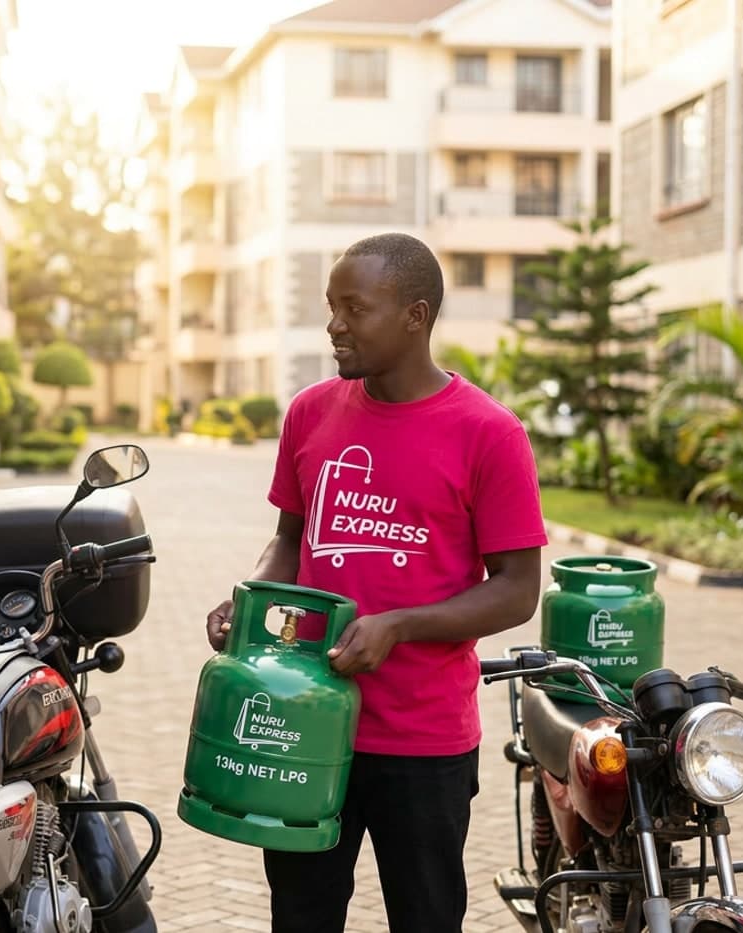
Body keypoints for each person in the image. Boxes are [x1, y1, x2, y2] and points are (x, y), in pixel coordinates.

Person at [205, 233, 547, 933]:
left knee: (425, 919)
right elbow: (290, 539)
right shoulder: (310, 412)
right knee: (301, 917)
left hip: (421, 741)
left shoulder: (489, 433)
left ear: (415, 316)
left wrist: (401, 624)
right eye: (332, 307)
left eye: (354, 308)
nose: (334, 325)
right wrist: (250, 600)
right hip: (301, 724)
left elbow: (517, 588)